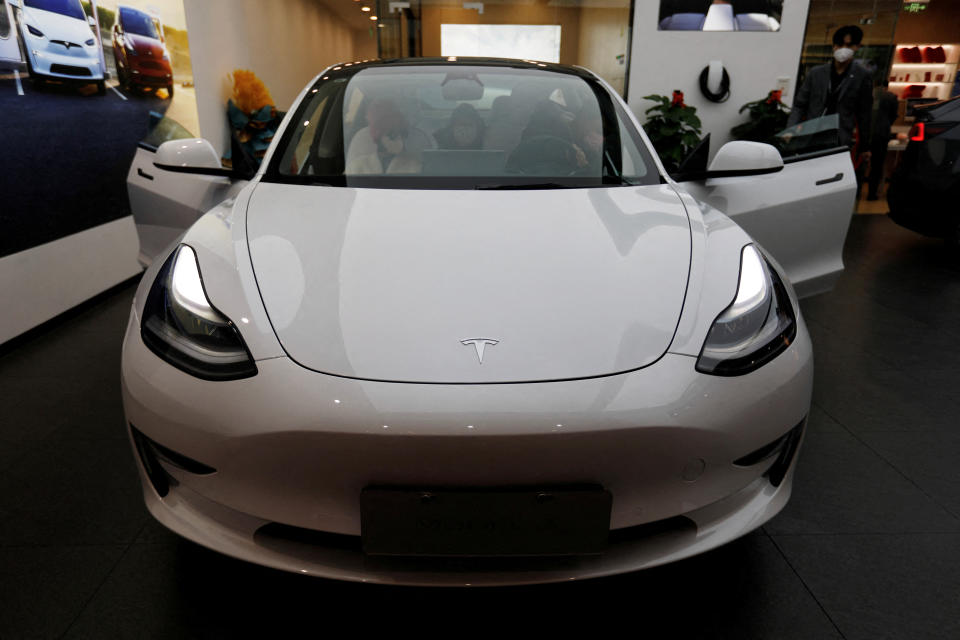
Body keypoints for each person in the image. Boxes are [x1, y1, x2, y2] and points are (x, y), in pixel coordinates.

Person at [787, 25, 874, 155]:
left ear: (857, 47)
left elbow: (864, 114)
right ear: (833, 46)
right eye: (839, 44)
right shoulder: (816, 73)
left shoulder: (862, 76)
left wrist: (865, 147)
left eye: (849, 46)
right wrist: (791, 129)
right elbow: (800, 105)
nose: (843, 49)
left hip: (839, 140)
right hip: (811, 137)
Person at [867, 81, 899, 200]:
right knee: (877, 165)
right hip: (881, 134)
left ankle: (857, 192)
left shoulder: (868, 95)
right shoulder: (891, 97)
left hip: (866, 133)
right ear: (887, 86)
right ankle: (872, 194)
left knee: (862, 163)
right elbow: (894, 115)